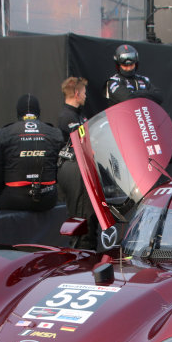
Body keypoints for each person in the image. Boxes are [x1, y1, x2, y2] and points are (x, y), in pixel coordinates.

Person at [0, 93, 64, 212]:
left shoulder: (4, 133)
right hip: (47, 198)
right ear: (38, 112)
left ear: (18, 112)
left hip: (14, 198)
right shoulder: (55, 133)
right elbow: (62, 170)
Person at [57, 77, 97, 249]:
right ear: (77, 93)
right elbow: (80, 139)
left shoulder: (80, 115)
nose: (86, 96)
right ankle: (80, 257)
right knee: (81, 220)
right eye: (85, 92)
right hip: (74, 173)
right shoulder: (66, 117)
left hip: (85, 171)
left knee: (90, 220)